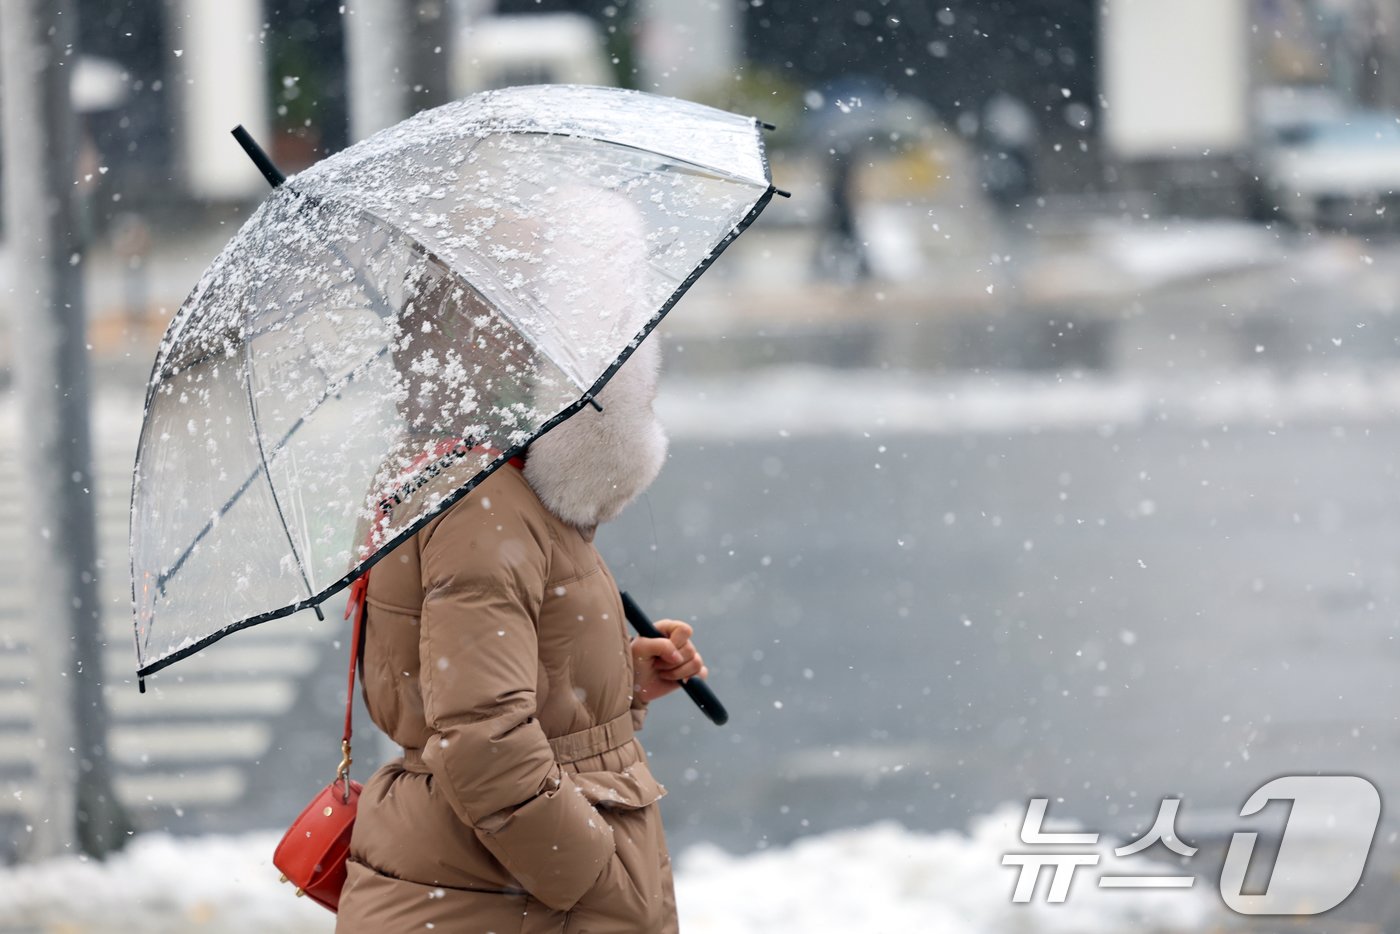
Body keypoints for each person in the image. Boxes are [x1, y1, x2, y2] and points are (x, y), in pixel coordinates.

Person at [335, 324, 703, 932]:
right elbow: (482, 737)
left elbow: (447, 684)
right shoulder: (483, 502)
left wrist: (620, 677)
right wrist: (594, 880)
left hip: (476, 882)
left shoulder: (445, 473)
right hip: (509, 896)